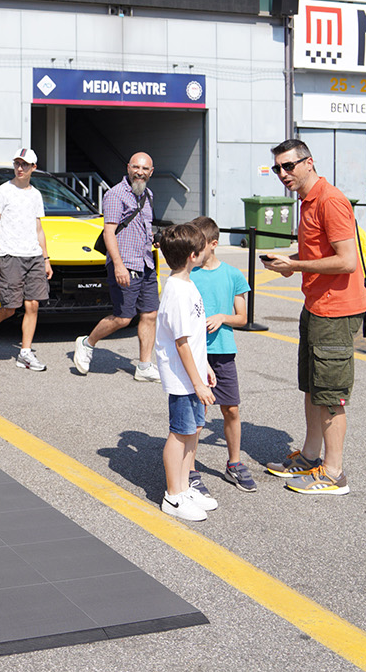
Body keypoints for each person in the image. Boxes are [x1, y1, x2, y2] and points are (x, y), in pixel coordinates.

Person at [260, 138, 366, 496]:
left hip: (336, 310)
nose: (282, 174)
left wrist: (296, 264)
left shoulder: (330, 200)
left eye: (289, 166)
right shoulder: (307, 201)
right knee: (312, 386)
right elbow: (319, 252)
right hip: (316, 305)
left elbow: (346, 260)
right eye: (277, 168)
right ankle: (309, 456)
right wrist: (291, 263)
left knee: (330, 394)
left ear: (309, 162)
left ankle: (334, 473)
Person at [73, 152, 160, 381]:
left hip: (146, 262)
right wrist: (119, 265)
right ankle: (87, 342)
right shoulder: (115, 194)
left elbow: (144, 228)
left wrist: (154, 239)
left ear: (151, 172)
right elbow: (109, 232)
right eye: (136, 167)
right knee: (123, 317)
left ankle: (144, 366)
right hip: (125, 263)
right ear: (128, 168)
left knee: (150, 314)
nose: (139, 172)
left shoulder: (148, 195)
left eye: (145, 168)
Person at [154, 222, 218, 522]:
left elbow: (192, 336)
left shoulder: (187, 284)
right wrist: (197, 381)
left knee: (192, 432)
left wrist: (204, 367)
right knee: (180, 434)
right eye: (204, 246)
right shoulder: (177, 291)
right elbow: (181, 343)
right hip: (182, 379)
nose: (208, 249)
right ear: (193, 255)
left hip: (192, 375)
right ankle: (174, 494)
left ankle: (184, 486)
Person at [188, 216, 255, 493]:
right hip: (196, 353)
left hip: (224, 352)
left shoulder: (232, 275)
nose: (194, 251)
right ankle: (189, 469)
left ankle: (234, 463)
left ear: (213, 244)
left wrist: (222, 316)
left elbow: (243, 317)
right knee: (196, 415)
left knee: (231, 409)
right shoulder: (188, 275)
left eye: (199, 245)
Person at [0, 148, 52, 372]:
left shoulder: (36, 195)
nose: (20, 168)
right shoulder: (3, 191)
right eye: (17, 163)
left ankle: (25, 353)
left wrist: (46, 258)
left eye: (25, 164)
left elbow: (38, 228)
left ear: (33, 168)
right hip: (10, 255)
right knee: (9, 307)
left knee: (33, 305)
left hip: (34, 256)